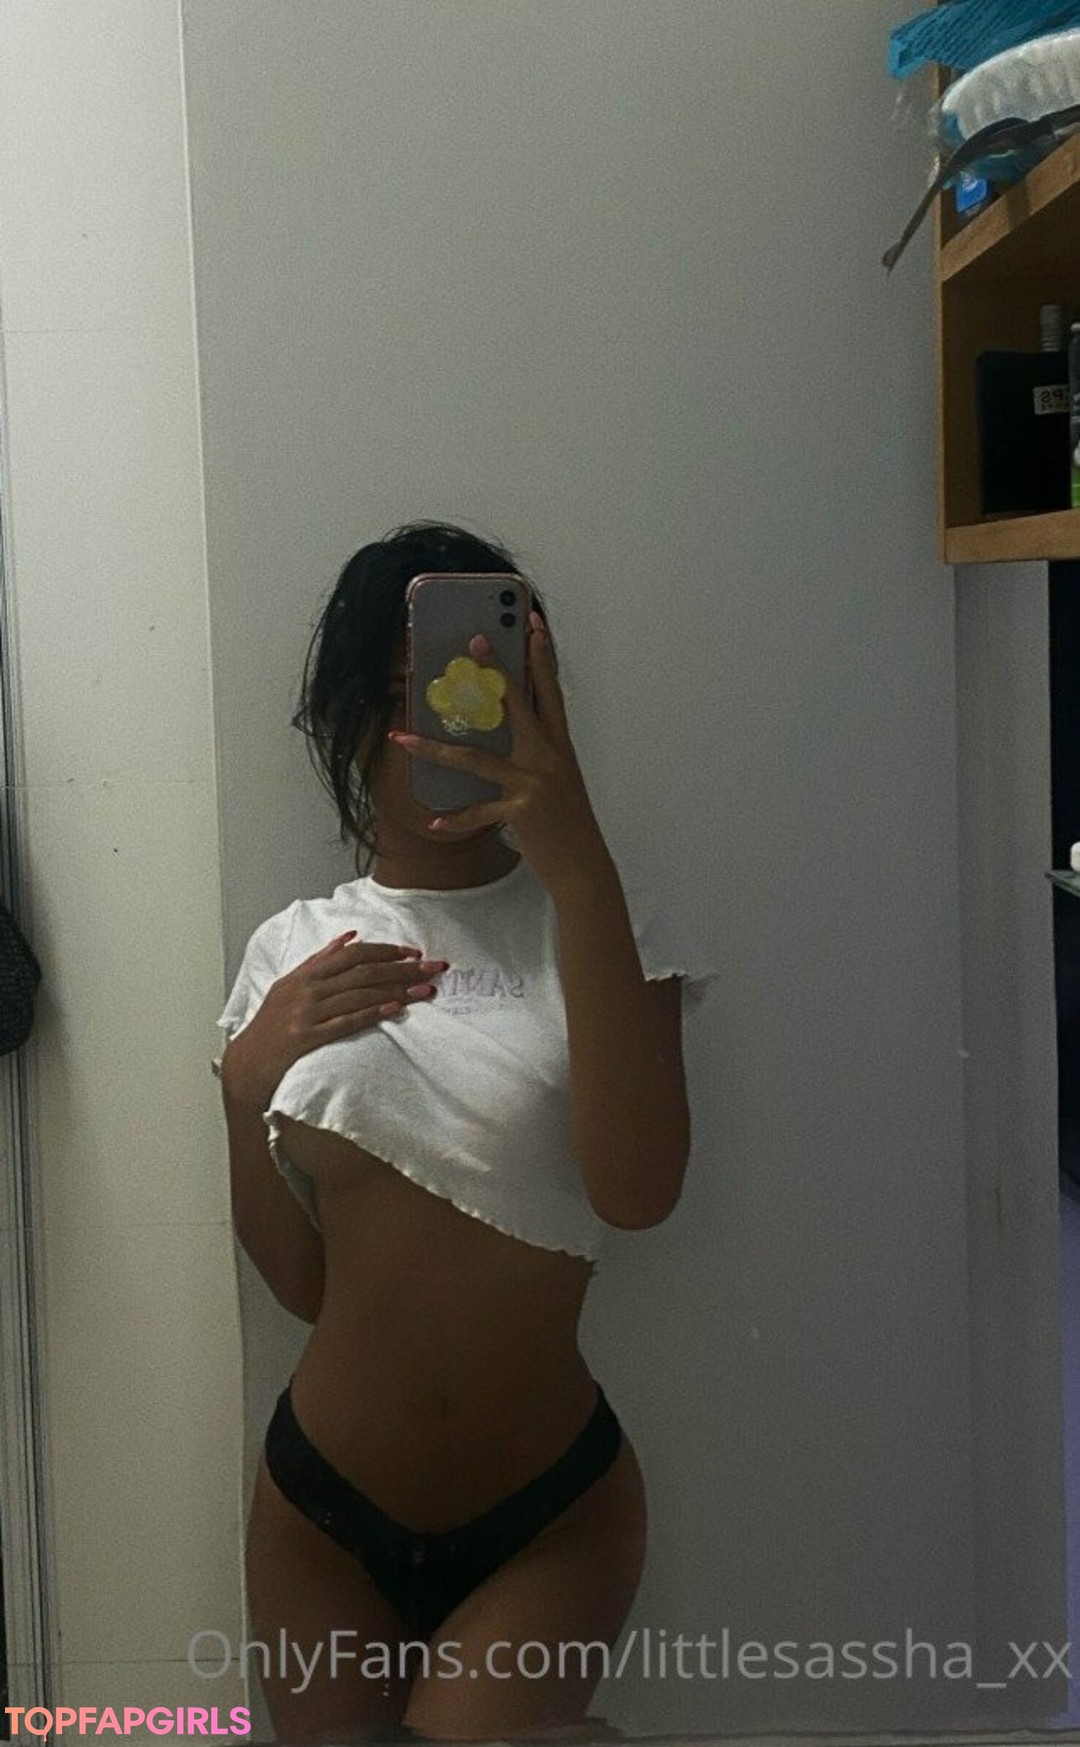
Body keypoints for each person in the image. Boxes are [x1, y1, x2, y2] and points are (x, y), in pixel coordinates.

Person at [214, 521, 715, 1744]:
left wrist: (577, 858)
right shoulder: (293, 947)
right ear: (343, 720)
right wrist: (243, 1086)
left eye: (479, 693)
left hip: (550, 1515)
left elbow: (639, 1192)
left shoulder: (601, 923)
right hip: (320, 1515)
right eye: (400, 699)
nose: (438, 730)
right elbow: (302, 1286)